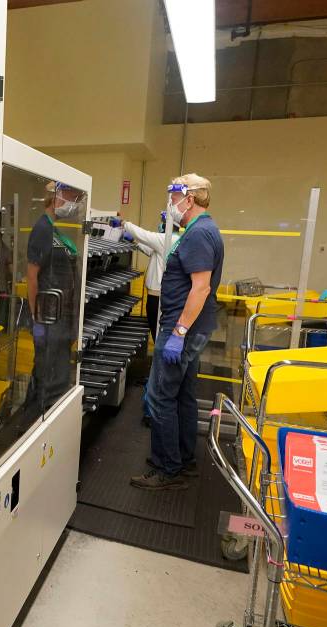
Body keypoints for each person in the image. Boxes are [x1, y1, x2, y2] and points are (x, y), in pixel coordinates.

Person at [131, 174, 224, 490]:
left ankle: (166, 469)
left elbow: (200, 288)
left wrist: (179, 331)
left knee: (160, 397)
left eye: (173, 197)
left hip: (182, 328)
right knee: (183, 395)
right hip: (188, 327)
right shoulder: (201, 231)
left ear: (191, 198)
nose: (170, 204)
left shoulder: (199, 234)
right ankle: (183, 459)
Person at [26, 181, 83, 411]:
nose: (74, 204)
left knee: (53, 373)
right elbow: (32, 278)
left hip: (61, 317)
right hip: (49, 318)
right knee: (50, 378)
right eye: (71, 196)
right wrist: (36, 319)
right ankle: (38, 421)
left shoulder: (54, 229)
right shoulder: (42, 229)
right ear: (56, 196)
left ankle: (35, 416)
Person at [122, 211, 183, 340]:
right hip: (160, 295)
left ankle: (160, 359)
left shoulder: (167, 239)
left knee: (157, 332)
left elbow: (144, 235)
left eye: (162, 222)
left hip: (158, 297)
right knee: (158, 331)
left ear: (168, 225)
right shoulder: (174, 240)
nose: (160, 224)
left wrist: (124, 223)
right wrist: (134, 242)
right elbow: (151, 251)